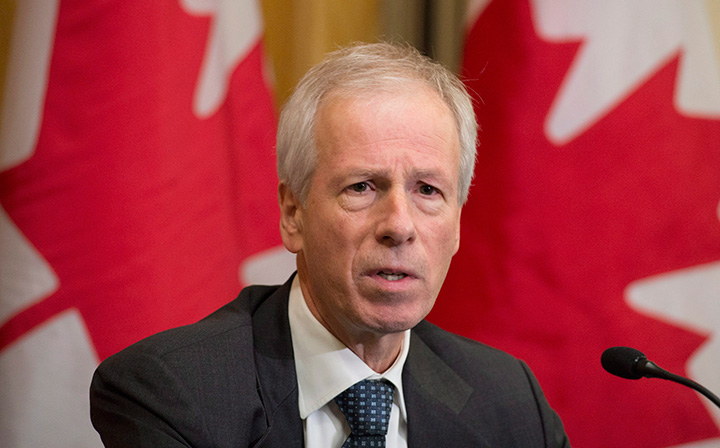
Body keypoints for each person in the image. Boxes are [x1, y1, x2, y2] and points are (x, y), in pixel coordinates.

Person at [90, 42, 570, 447]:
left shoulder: (511, 405)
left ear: (459, 223)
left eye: (428, 190)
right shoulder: (173, 394)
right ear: (293, 213)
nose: (399, 226)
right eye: (362, 186)